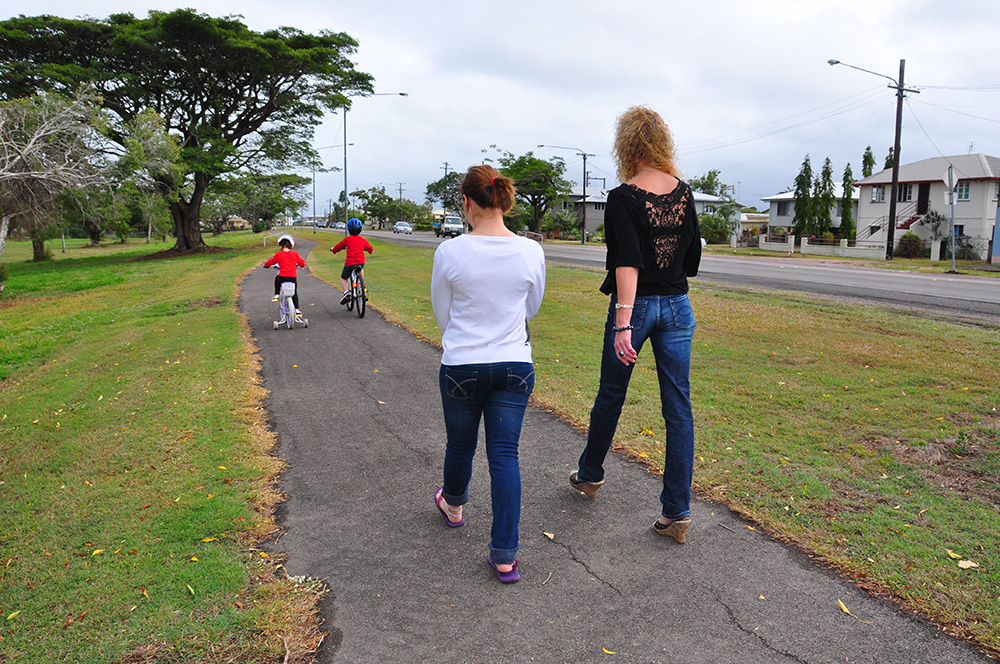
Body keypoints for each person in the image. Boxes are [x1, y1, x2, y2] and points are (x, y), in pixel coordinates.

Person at [569, 106, 702, 544]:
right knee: (678, 407)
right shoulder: (684, 193)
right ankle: (677, 513)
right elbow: (693, 259)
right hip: (678, 307)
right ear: (662, 142)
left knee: (611, 394)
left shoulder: (623, 197)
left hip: (636, 309)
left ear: (626, 145)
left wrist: (623, 322)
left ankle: (590, 475)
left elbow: (626, 261)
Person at [431, 165, 546, 583]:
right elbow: (531, 307)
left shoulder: (450, 252)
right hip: (514, 364)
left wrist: (468, 336)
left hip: (462, 364)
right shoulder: (531, 250)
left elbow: (443, 313)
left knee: (460, 444)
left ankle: (454, 505)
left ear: (466, 202)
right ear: (502, 200)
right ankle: (505, 556)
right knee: (504, 455)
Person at [331, 218, 373, 305]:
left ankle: (346, 293)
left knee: (343, 278)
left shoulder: (347, 240)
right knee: (361, 269)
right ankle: (362, 287)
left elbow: (338, 247)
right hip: (360, 262)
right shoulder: (362, 240)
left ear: (349, 229)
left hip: (350, 263)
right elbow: (370, 249)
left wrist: (333, 250)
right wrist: (366, 249)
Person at [263, 234, 306, 316]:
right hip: (293, 277)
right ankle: (297, 309)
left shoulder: (279, 254)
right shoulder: (295, 254)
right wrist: (300, 265)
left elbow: (270, 262)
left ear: (280, 246)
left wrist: (266, 265)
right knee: (294, 292)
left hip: (282, 277)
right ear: (291, 246)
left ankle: (276, 294)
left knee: (277, 279)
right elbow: (302, 263)